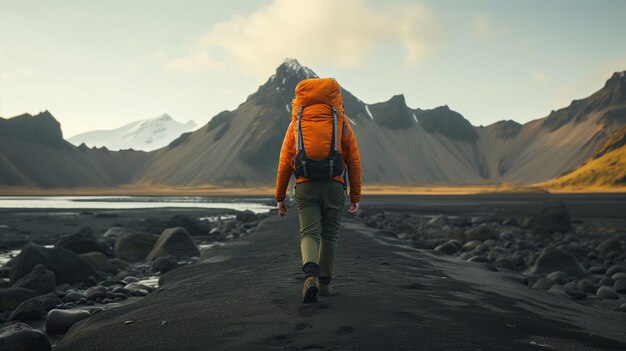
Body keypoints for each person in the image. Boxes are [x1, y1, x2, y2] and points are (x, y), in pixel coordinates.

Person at [275, 77, 362, 303]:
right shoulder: (339, 120)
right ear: (334, 95)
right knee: (329, 236)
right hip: (334, 186)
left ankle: (309, 276)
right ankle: (324, 286)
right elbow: (353, 159)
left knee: (309, 233)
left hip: (305, 185)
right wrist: (355, 196)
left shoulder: (296, 122)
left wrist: (280, 197)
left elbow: (285, 160)